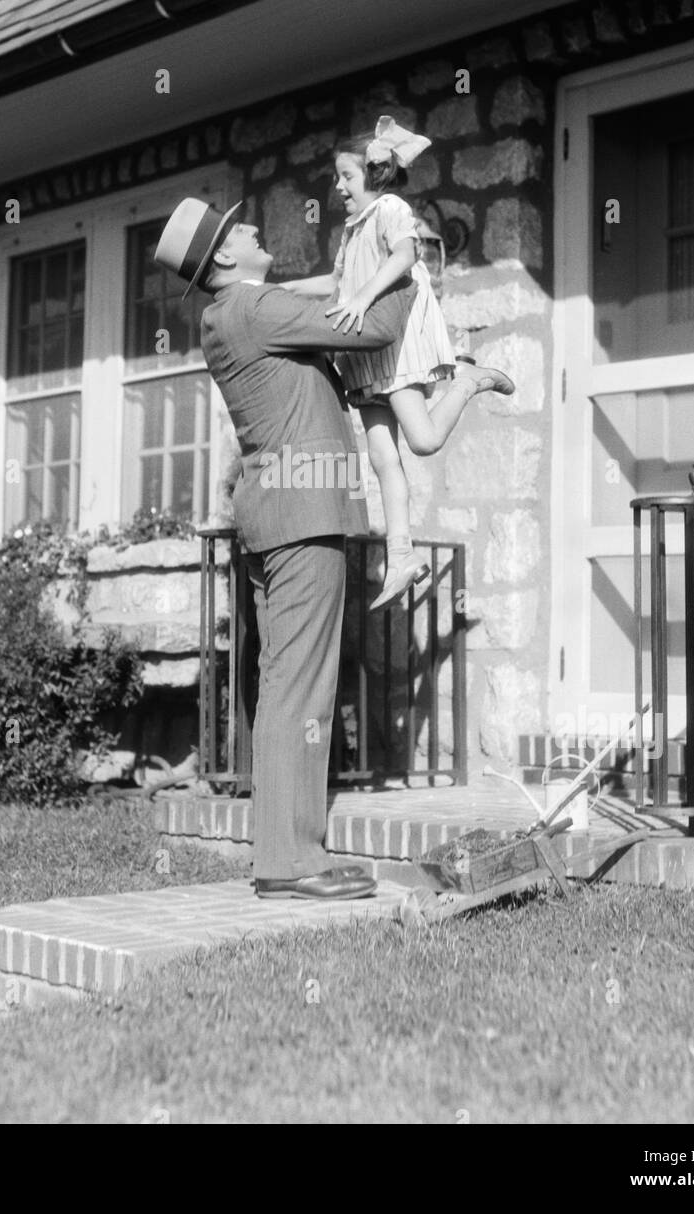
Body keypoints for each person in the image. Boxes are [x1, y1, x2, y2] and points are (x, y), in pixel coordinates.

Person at [154, 197, 433, 900]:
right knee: (300, 685)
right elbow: (369, 328)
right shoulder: (256, 309)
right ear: (223, 258)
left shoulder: (234, 313)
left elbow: (330, 302)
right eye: (239, 229)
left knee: (280, 683)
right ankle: (291, 860)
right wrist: (409, 266)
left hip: (274, 511)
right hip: (304, 515)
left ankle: (283, 851)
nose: (253, 229)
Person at [282, 117, 515, 608]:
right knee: (383, 459)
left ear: (375, 175)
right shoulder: (351, 231)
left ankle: (468, 380)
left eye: (346, 176)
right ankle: (401, 554)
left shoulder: (391, 208)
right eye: (338, 178)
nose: (338, 186)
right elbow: (335, 284)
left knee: (424, 440)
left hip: (396, 343)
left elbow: (406, 256)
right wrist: (281, 290)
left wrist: (363, 299)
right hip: (365, 357)